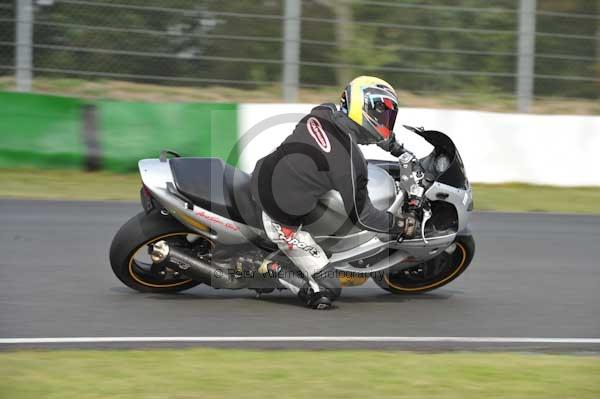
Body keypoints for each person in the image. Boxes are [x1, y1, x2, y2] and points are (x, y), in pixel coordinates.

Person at [251, 76, 418, 309]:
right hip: (277, 215)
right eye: (383, 114)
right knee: (328, 288)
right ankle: (266, 268)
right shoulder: (350, 162)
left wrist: (397, 148)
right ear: (364, 109)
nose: (386, 121)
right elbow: (363, 217)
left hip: (264, 172)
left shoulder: (324, 111)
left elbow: (360, 133)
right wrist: (400, 225)